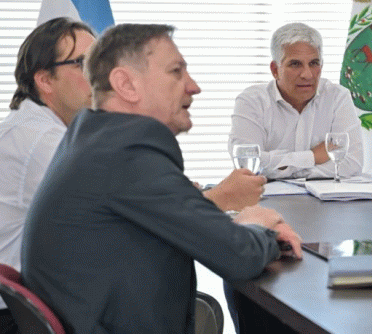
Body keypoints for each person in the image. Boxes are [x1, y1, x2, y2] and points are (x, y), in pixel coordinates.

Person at [21, 23, 302, 334]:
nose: (193, 86)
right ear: (126, 85)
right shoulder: (127, 155)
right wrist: (260, 227)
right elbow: (240, 256)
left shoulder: (93, 140)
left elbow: (188, 223)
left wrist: (239, 228)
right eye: (175, 72)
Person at [0, 17, 95, 334]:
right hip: (16, 318)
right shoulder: (43, 140)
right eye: (84, 64)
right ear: (45, 80)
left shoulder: (33, 128)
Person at [228, 22, 364, 180]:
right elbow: (247, 165)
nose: (307, 74)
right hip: (268, 196)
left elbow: (352, 164)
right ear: (275, 70)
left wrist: (288, 169)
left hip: (323, 195)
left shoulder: (337, 97)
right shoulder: (252, 101)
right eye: (295, 64)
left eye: (314, 63)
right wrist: (312, 157)